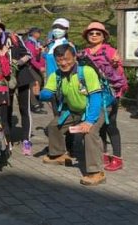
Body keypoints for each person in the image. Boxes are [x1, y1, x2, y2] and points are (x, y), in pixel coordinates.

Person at [40, 44, 106, 186]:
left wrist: (89, 121)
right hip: (73, 111)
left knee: (90, 134)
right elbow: (47, 91)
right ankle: (59, 154)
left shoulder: (86, 72)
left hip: (93, 111)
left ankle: (96, 172)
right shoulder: (56, 75)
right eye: (59, 60)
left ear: (75, 57)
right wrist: (43, 94)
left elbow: (95, 98)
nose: (63, 63)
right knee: (53, 126)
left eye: (67, 59)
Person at [80, 21, 128, 171]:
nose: (94, 35)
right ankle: (104, 154)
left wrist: (115, 64)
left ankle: (117, 158)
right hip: (93, 93)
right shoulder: (84, 52)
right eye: (91, 33)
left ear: (103, 36)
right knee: (99, 125)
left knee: (111, 125)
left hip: (111, 92)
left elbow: (119, 73)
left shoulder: (109, 51)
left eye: (97, 33)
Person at [0, 15, 34, 155]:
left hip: (21, 77)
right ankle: (8, 141)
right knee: (7, 110)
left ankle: (26, 140)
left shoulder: (13, 37)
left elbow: (28, 54)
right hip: (5, 82)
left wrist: (17, 63)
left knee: (25, 109)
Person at [24, 27, 47, 114]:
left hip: (35, 67)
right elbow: (32, 58)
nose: (39, 34)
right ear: (33, 33)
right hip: (30, 66)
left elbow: (39, 56)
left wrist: (42, 65)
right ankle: (34, 105)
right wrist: (39, 67)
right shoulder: (29, 43)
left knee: (40, 81)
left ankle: (35, 101)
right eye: (38, 32)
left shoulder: (36, 43)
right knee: (35, 83)